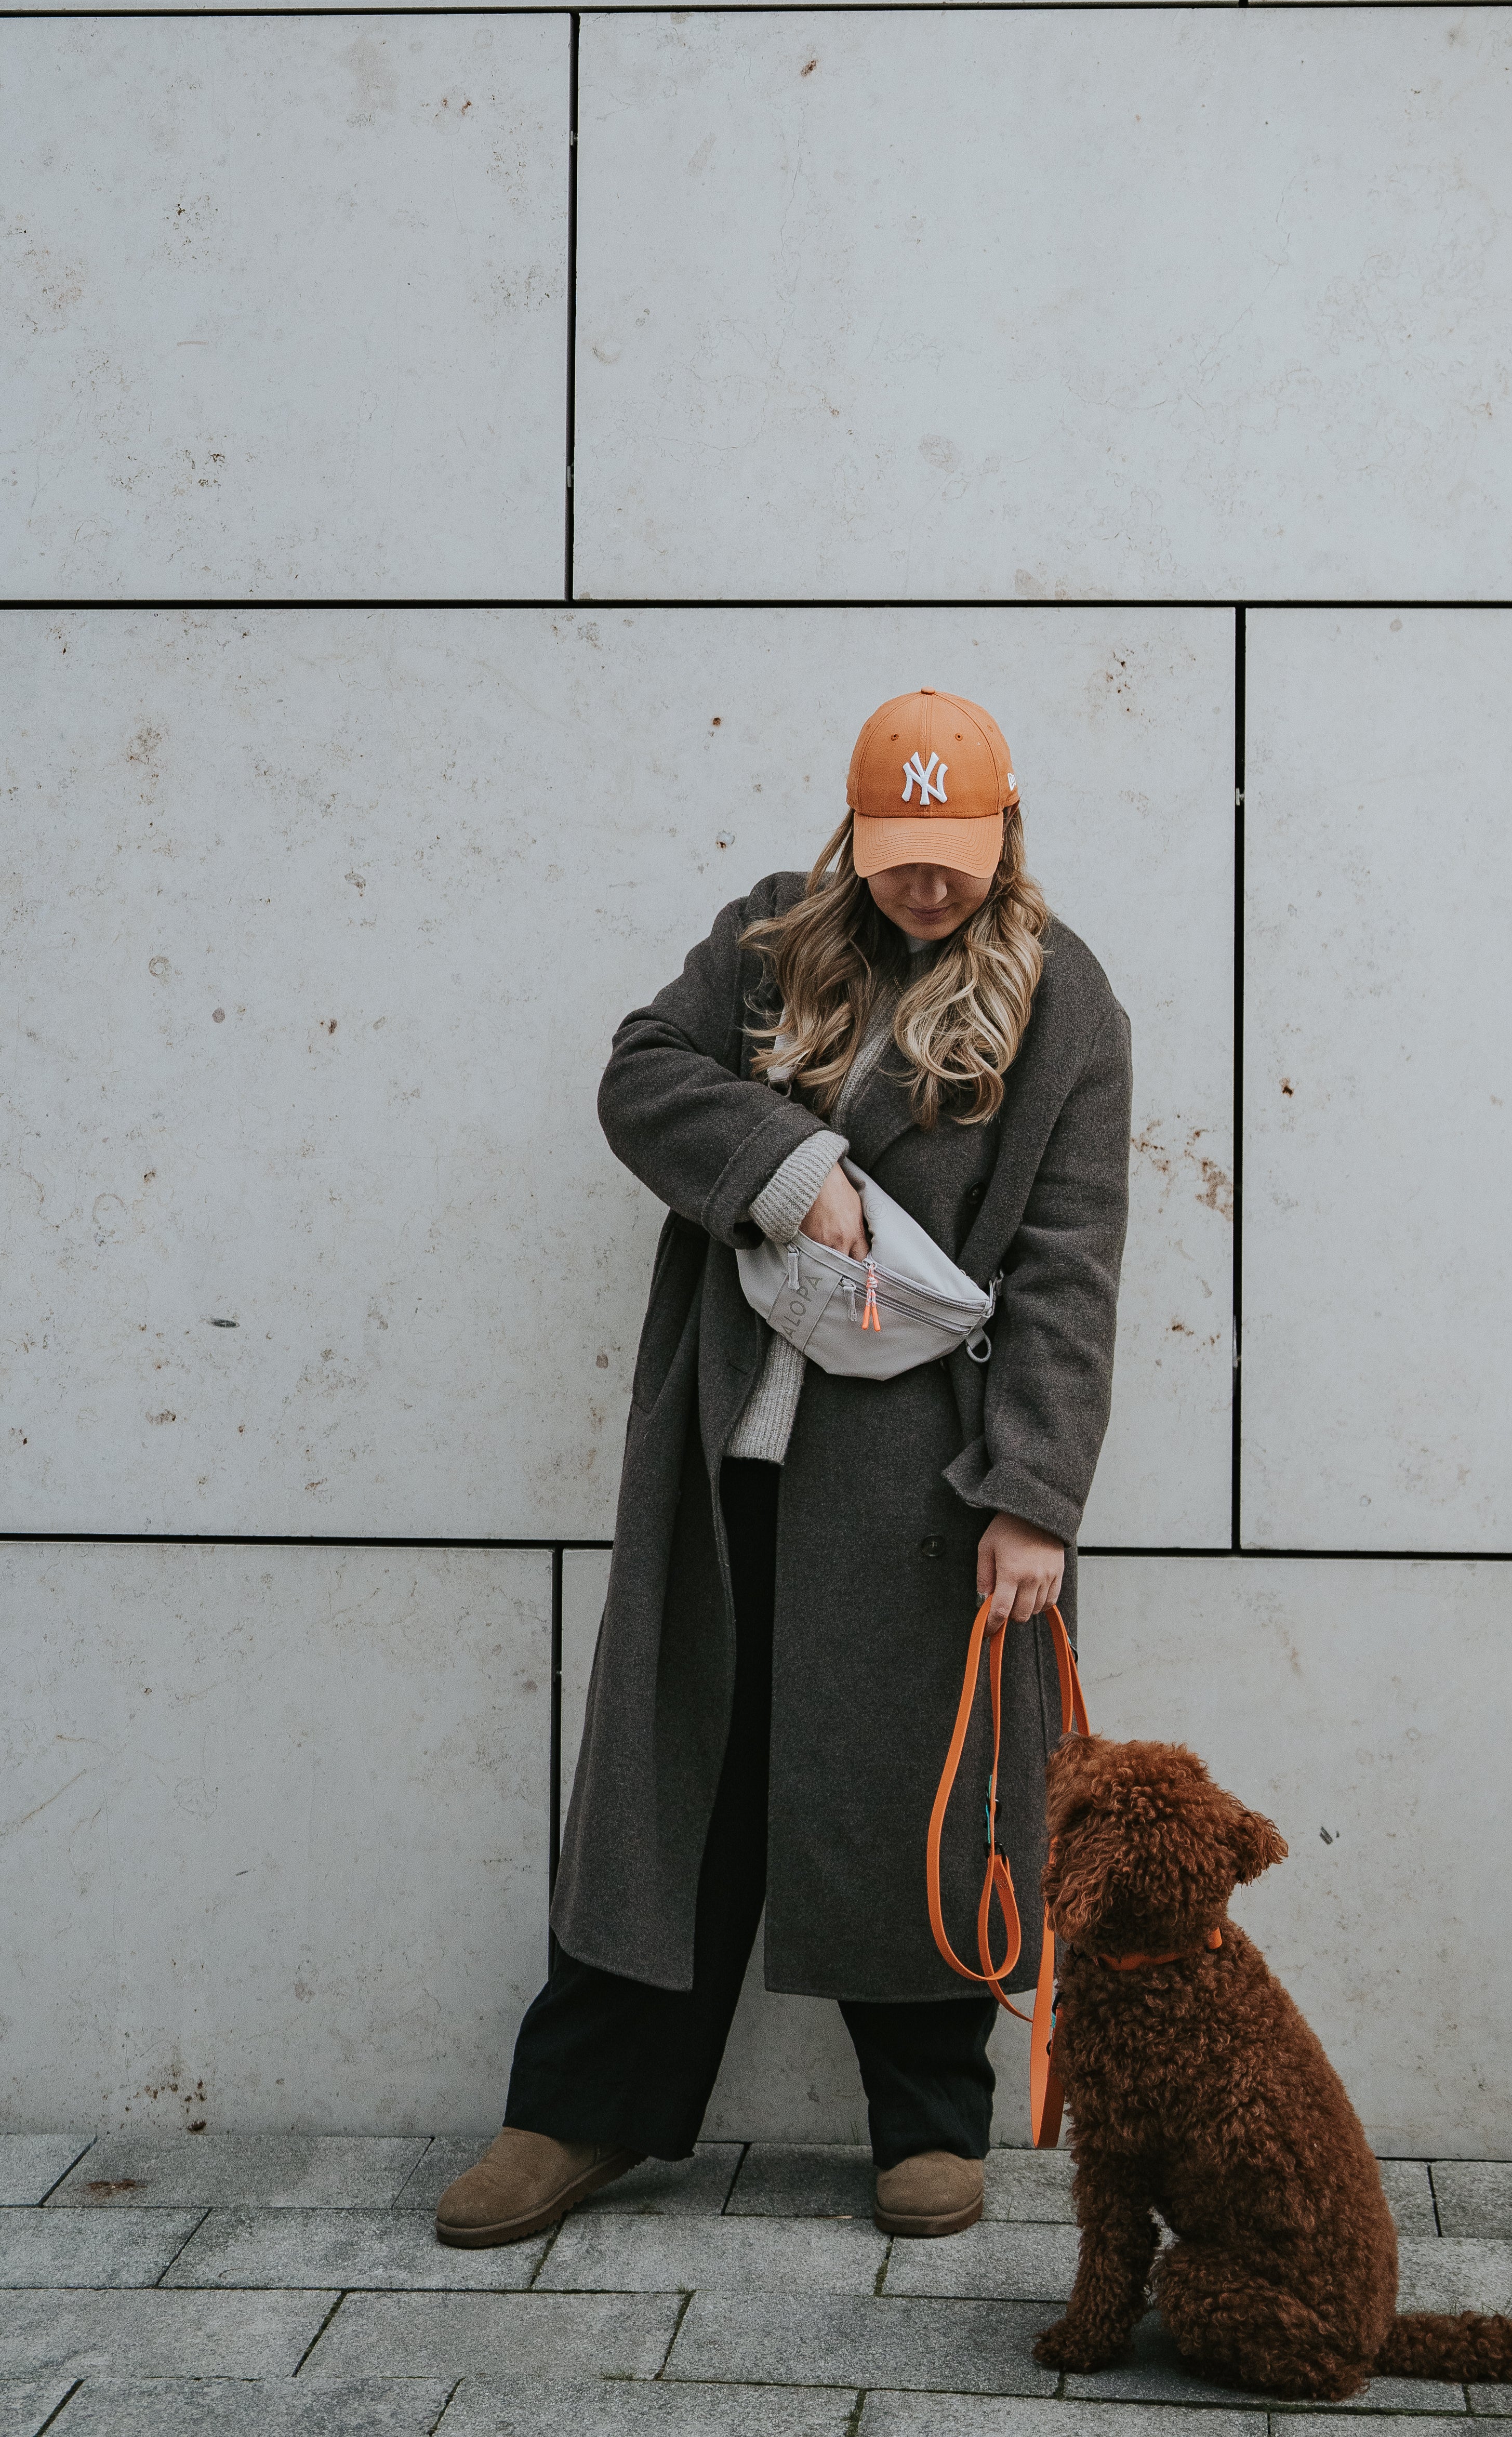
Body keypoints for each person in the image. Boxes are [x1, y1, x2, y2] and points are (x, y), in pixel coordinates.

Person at [436, 686, 1132, 2248]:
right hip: (724, 1457)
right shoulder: (768, 942)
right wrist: (792, 1167)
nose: (926, 882)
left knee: (919, 1786)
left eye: (955, 853)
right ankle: (577, 2115)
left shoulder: (1065, 1004)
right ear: (857, 830)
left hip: (918, 1486)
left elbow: (1071, 1270)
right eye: (901, 851)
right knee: (674, 1781)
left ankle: (929, 2125)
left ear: (1005, 835)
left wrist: (1036, 1498)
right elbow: (641, 1075)